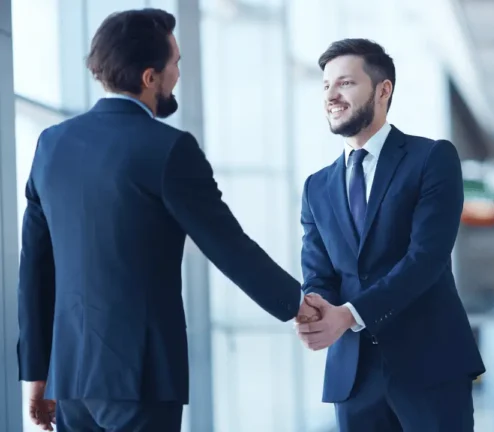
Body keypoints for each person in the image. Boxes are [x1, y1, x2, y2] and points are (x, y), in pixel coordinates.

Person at [16, 8, 316, 432]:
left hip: (70, 382)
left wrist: (36, 373)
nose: (178, 73)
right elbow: (228, 245)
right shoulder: (168, 149)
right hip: (142, 378)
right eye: (175, 63)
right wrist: (298, 306)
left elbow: (35, 268)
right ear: (149, 77)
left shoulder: (51, 145)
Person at [294, 38, 485, 432]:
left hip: (429, 365)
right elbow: (319, 274)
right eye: (326, 85)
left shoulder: (432, 158)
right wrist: (318, 312)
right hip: (354, 374)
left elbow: (426, 260)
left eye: (344, 83)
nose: (331, 95)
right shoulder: (316, 187)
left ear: (383, 90)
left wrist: (348, 315)